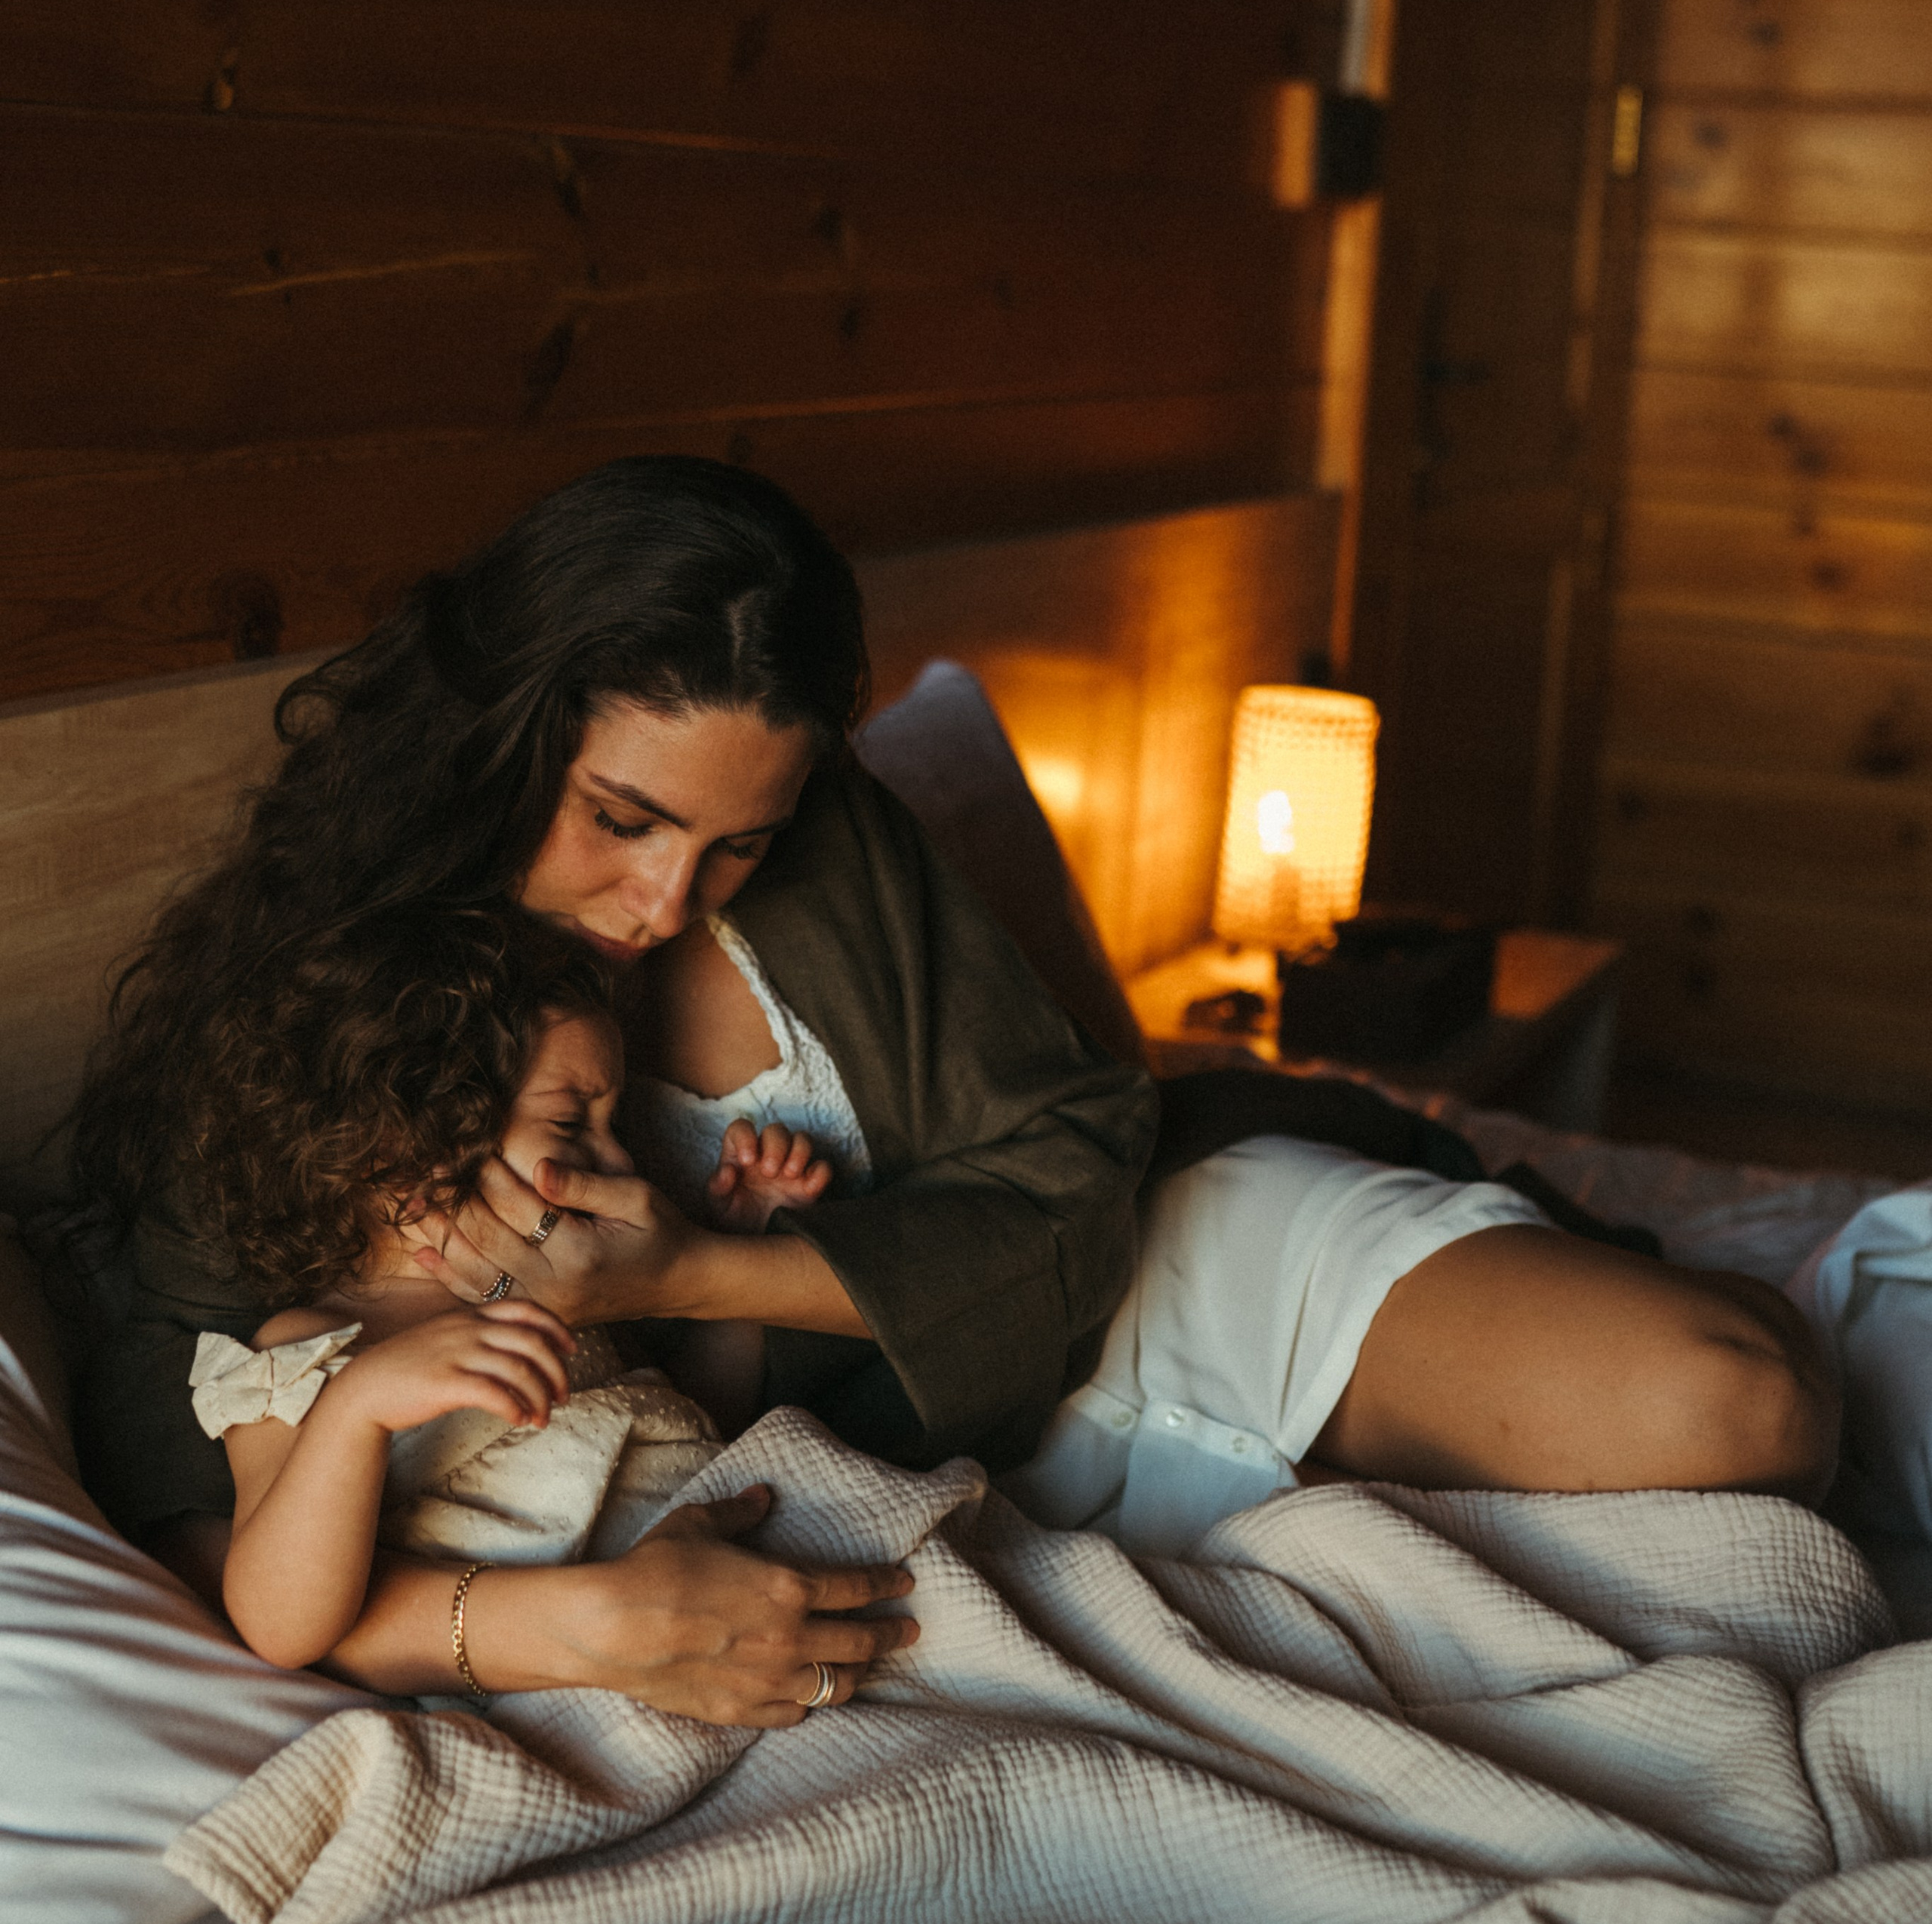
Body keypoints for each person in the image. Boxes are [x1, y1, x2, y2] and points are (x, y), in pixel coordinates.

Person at [42, 458, 1835, 1706]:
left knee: (1744, 1409)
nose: (663, 902)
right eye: (621, 818)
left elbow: (1076, 1169)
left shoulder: (830, 845)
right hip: (916, 1477)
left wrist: (694, 1271)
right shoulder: (310, 1039)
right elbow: (215, 1539)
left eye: (735, 843)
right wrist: (573, 1628)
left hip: (1129, 1281)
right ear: (501, 737)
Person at [183, 899, 876, 1720]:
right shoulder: (304, 1352)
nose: (621, 1161)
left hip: (745, 1615)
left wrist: (735, 1257)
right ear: (400, 1143)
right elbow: (278, 1621)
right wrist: (358, 1407)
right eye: (571, 1123)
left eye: (613, 1126)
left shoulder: (574, 1295)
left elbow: (701, 1428)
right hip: (563, 1700)